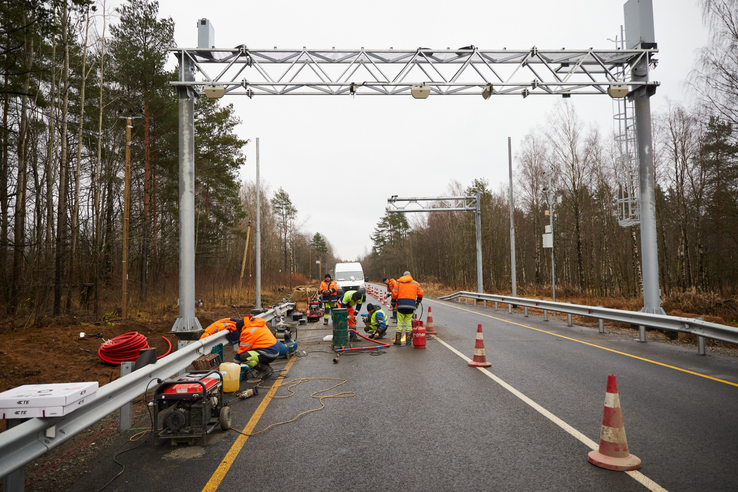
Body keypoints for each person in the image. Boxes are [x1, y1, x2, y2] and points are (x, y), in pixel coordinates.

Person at [200, 315, 280, 372]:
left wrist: (233, 365)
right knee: (251, 353)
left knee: (244, 356)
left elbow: (241, 351)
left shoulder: (248, 332)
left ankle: (264, 370)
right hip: (273, 351)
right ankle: (266, 366)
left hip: (269, 353)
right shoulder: (256, 324)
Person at [391, 271, 424, 346]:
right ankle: (408, 341)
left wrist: (393, 302)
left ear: (403, 276)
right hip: (411, 306)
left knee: (399, 323)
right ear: (410, 275)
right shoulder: (415, 283)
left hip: (401, 305)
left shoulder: (398, 283)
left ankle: (398, 340)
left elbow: (394, 293)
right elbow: (421, 293)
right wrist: (418, 301)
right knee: (408, 323)